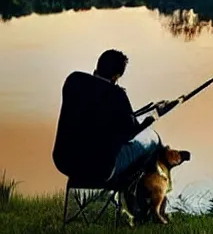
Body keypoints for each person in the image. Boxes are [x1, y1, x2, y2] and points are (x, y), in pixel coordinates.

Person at [53, 49, 163, 183]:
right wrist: (148, 121)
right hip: (100, 169)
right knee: (152, 140)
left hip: (64, 162)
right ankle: (145, 195)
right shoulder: (117, 96)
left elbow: (93, 105)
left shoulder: (73, 80)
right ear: (116, 77)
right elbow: (129, 135)